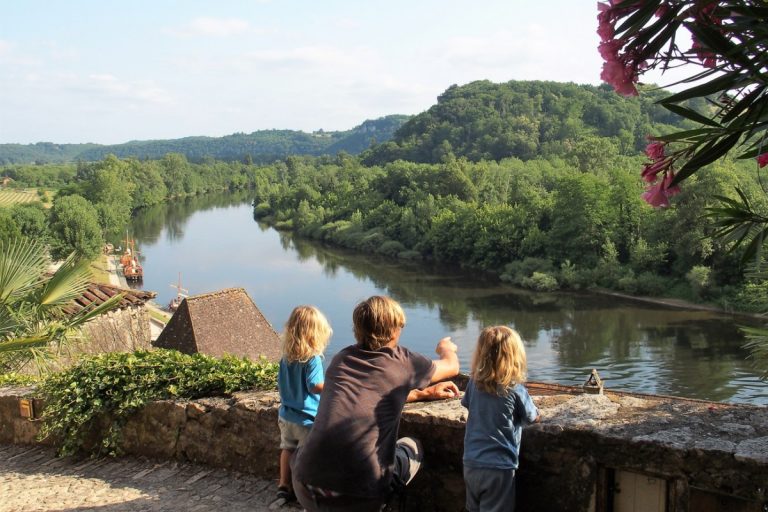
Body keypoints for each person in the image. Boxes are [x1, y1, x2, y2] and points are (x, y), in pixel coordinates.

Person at [292, 295, 460, 512]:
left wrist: (421, 394)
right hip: (359, 499)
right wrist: (446, 347)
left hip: (305, 487)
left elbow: (372, 393)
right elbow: (451, 367)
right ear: (393, 331)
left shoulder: (341, 360)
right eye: (400, 326)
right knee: (412, 446)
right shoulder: (404, 362)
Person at [461, 326, 540, 512]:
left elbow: (468, 404)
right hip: (499, 466)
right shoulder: (514, 388)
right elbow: (532, 417)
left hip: (471, 462)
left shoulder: (473, 383)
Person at [274, 305, 332, 507]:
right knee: (306, 457)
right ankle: (304, 491)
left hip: (286, 416)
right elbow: (315, 386)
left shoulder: (285, 358)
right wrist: (333, 385)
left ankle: (283, 485)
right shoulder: (313, 359)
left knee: (287, 449)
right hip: (307, 419)